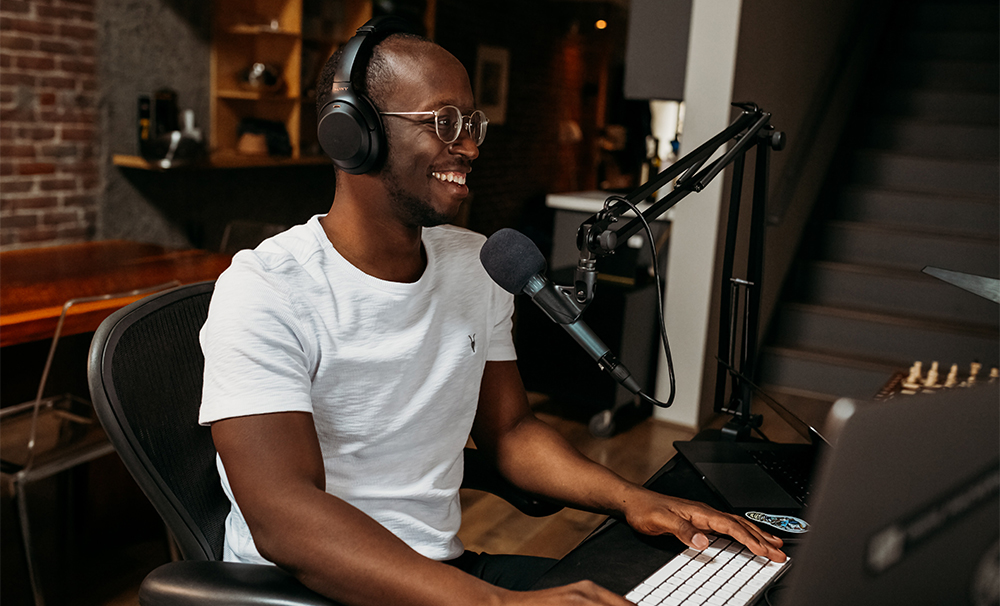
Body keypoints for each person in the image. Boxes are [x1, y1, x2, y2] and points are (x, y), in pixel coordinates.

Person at [199, 29, 785, 606]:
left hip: (440, 577)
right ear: (355, 134)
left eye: (472, 125)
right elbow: (283, 517)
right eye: (444, 122)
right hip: (306, 589)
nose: (472, 148)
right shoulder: (266, 291)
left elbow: (510, 433)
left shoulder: (474, 264)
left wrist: (630, 498)